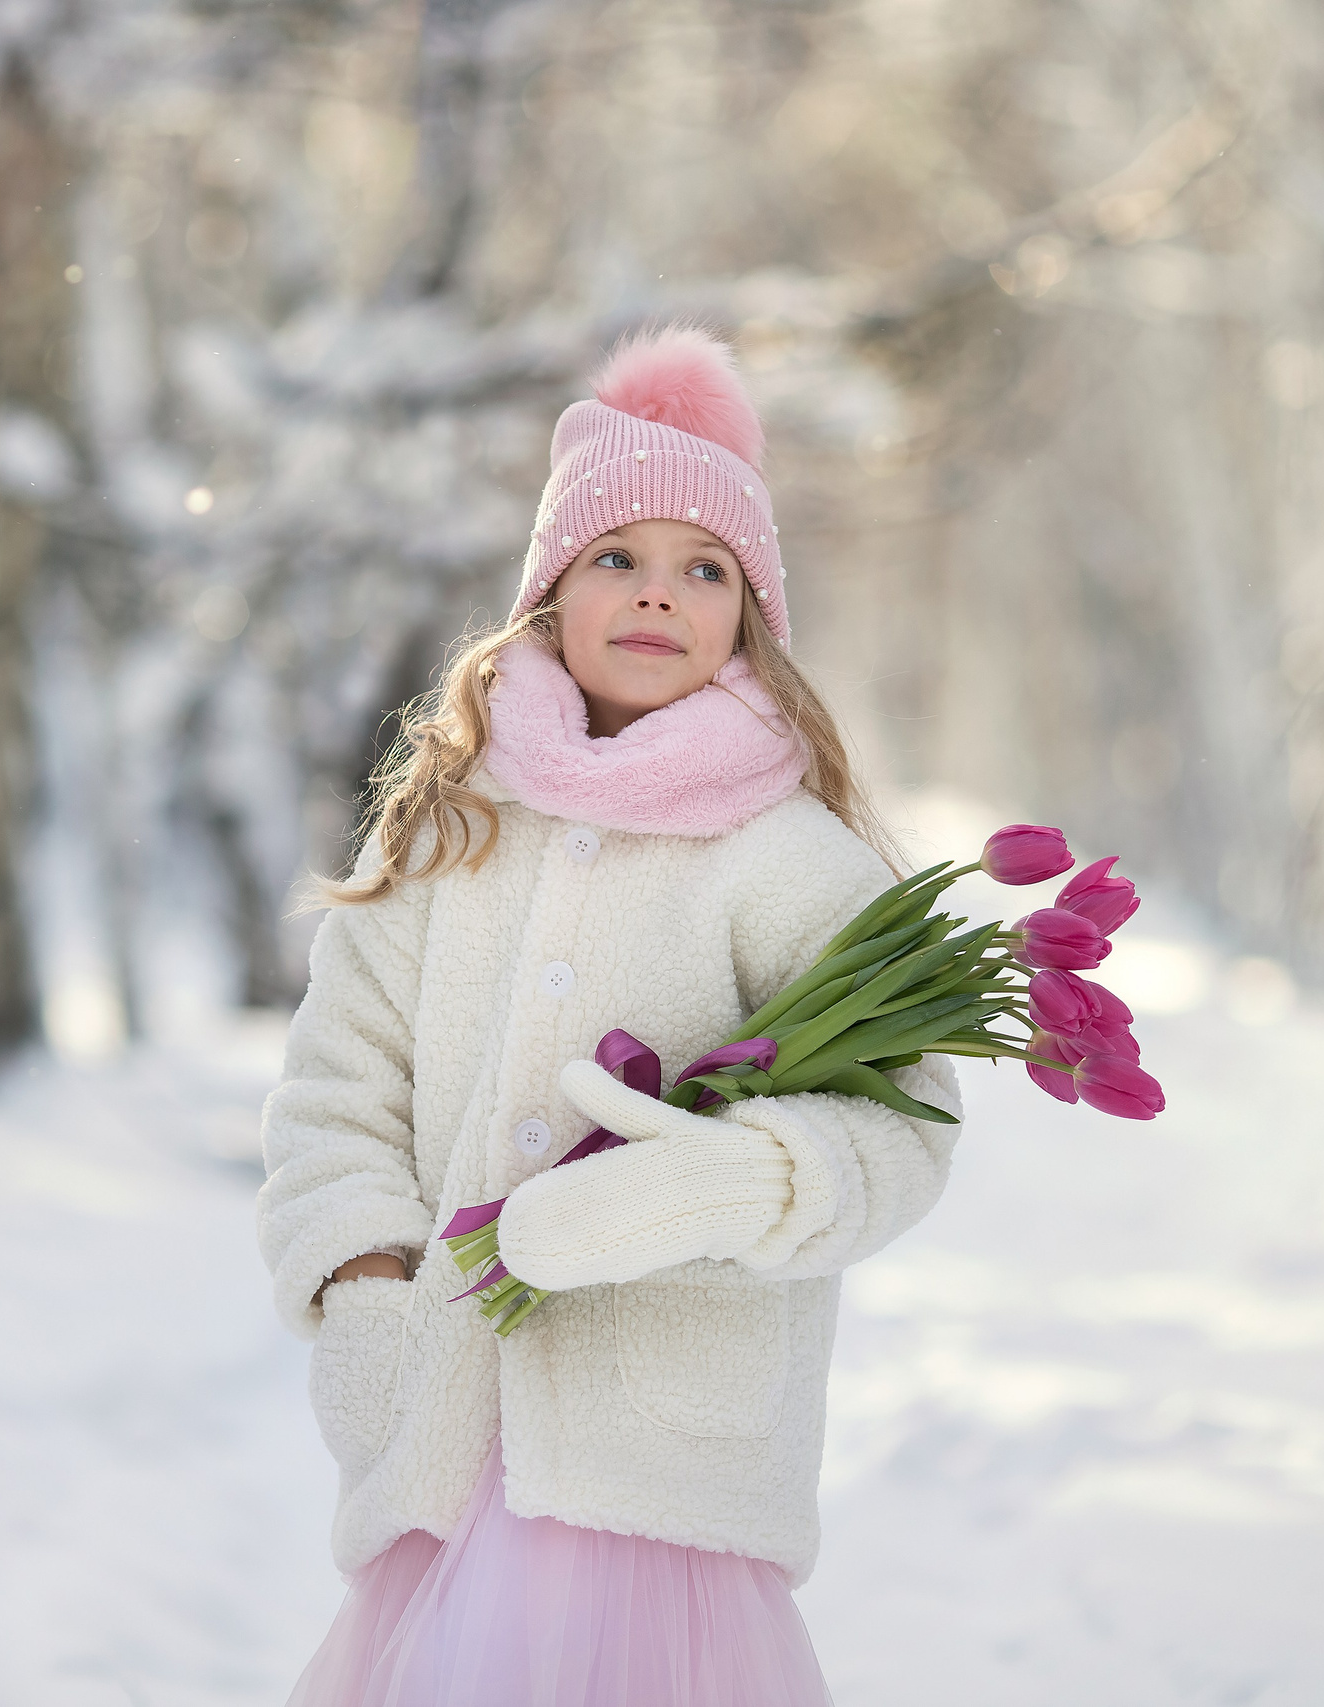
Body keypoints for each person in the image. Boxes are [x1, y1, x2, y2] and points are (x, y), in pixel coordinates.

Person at [258, 324, 963, 1706]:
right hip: (453, 1449)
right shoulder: (453, 832)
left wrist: (727, 1185)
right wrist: (362, 1285)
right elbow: (337, 1090)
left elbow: (904, 1126)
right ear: (548, 593)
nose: (658, 597)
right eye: (615, 560)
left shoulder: (788, 856)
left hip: (667, 1479)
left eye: (705, 569)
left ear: (751, 613)